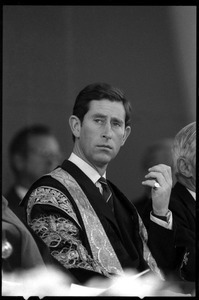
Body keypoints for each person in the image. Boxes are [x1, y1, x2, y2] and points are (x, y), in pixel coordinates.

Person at [21, 83, 190, 289]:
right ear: (76, 126)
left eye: (116, 124)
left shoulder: (119, 199)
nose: (107, 132)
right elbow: (71, 271)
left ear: (125, 136)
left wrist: (160, 211)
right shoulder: (48, 194)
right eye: (98, 121)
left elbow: (157, 269)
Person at [5, 124, 62, 223]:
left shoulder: (66, 209)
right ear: (19, 161)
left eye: (55, 155)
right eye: (45, 153)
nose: (52, 161)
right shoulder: (6, 212)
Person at [133, 138, 175, 227]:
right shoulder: (132, 212)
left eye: (169, 168)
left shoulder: (187, 209)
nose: (162, 174)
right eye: (156, 166)